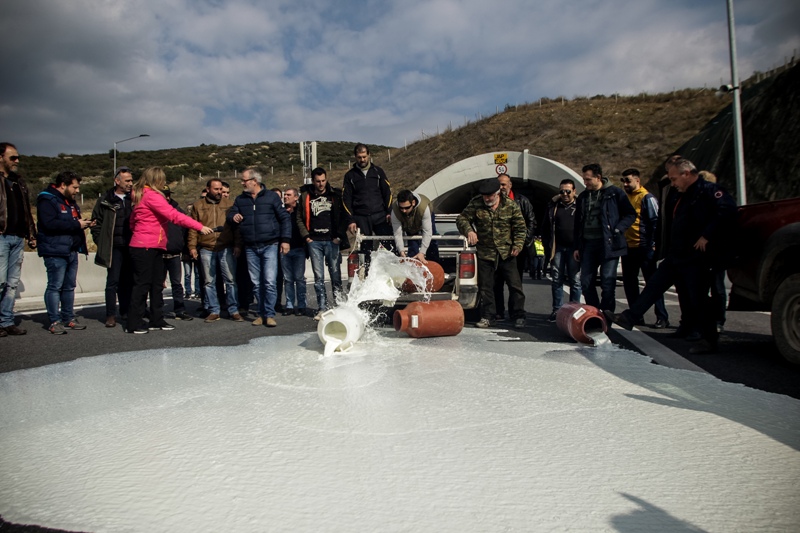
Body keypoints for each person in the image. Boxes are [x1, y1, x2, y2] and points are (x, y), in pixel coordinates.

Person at [605, 158, 737, 354]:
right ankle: (629, 318)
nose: (672, 183)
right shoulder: (681, 194)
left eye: (675, 178)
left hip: (696, 256)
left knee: (698, 298)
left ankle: (708, 339)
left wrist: (706, 236)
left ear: (687, 174)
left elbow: (728, 211)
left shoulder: (709, 191)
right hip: (677, 253)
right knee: (654, 285)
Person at [127, 167, 212, 334]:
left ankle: (156, 319)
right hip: (145, 246)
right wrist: (199, 226)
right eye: (163, 179)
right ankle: (134, 322)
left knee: (156, 284)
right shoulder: (151, 195)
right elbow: (173, 215)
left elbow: (133, 221)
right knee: (142, 285)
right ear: (157, 180)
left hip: (153, 245)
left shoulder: (140, 196)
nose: (164, 182)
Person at [457, 178, 527, 328]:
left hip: (506, 252)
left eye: (490, 196)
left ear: (497, 193)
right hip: (485, 252)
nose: (487, 199)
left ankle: (518, 314)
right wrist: (469, 230)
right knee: (486, 287)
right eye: (484, 196)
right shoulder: (476, 203)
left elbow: (521, 227)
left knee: (515, 285)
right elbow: (462, 218)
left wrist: (518, 244)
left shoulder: (510, 205)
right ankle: (488, 316)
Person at [228, 167, 291, 327]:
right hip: (250, 246)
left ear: (254, 181)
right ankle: (261, 313)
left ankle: (269, 314)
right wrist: (233, 216)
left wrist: (285, 240)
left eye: (244, 180)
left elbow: (284, 218)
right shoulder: (241, 199)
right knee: (256, 282)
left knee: (269, 281)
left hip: (270, 244)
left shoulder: (271, 197)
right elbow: (230, 213)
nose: (242, 183)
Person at [573, 164, 636, 312]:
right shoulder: (582, 197)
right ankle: (594, 311)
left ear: (598, 178)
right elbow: (577, 223)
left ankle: (607, 312)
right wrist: (577, 246)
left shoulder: (615, 193)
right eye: (584, 179)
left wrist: (619, 229)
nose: (585, 182)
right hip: (588, 244)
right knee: (586, 281)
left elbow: (630, 214)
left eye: (588, 179)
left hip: (609, 243)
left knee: (608, 281)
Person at [36, 171, 94, 334]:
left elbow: (72, 222)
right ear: (63, 185)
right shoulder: (47, 199)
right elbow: (49, 223)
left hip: (71, 249)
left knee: (69, 286)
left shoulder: (70, 202)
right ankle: (55, 320)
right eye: (74, 187)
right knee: (55, 286)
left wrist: (85, 224)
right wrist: (76, 225)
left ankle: (68, 318)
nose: (77, 191)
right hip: (55, 250)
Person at [619, 168, 669, 328]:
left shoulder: (646, 197)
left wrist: (654, 243)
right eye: (624, 181)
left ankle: (662, 316)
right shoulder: (625, 198)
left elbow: (656, 221)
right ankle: (636, 316)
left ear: (637, 180)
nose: (625, 184)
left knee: (653, 283)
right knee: (630, 283)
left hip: (645, 247)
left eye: (628, 180)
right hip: (628, 247)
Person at [188, 178, 242, 323]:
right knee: (208, 281)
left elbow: (236, 228)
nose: (219, 192)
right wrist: (192, 247)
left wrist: (238, 245)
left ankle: (233, 310)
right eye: (216, 189)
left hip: (226, 246)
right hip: (206, 247)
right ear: (208, 189)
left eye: (220, 189)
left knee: (230, 280)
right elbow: (193, 227)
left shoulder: (230, 204)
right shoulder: (198, 206)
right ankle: (213, 310)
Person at [297, 167, 348, 318]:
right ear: (313, 181)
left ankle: (339, 306)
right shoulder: (306, 196)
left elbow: (344, 216)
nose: (321, 184)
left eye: (323, 180)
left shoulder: (335, 195)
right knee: (319, 278)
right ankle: (322, 308)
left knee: (336, 276)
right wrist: (306, 237)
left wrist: (339, 236)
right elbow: (299, 218)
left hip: (332, 240)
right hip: (314, 242)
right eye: (318, 181)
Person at [0, 142, 37, 337]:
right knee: (0, 281)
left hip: (17, 237)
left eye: (17, 157)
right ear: (0, 158)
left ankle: (6, 321)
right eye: (12, 157)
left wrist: (31, 234)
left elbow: (26, 211)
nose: (17, 161)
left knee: (12, 283)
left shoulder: (18, 181)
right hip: (2, 237)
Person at [91, 166, 134, 328]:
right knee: (113, 281)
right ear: (117, 181)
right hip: (114, 247)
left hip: (131, 246)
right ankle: (110, 314)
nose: (130, 183)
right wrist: (101, 241)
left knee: (128, 281)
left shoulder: (134, 199)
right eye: (127, 180)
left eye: (131, 180)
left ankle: (126, 311)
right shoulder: (105, 200)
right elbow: (96, 223)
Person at [494, 174, 536, 320]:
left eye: (504, 184)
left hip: (516, 250)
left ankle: (515, 312)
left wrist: (522, 243)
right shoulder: (493, 201)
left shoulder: (522, 201)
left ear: (510, 185)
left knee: (515, 283)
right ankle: (498, 311)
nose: (501, 188)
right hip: (498, 249)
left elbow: (531, 222)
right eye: (499, 184)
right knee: (496, 282)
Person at [541, 179, 581, 321]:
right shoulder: (553, 206)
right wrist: (547, 245)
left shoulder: (580, 206)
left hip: (574, 248)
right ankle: (557, 310)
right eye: (562, 191)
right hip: (557, 248)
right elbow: (545, 227)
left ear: (574, 191)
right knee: (556, 279)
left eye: (568, 191)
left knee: (575, 280)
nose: (565, 194)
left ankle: (575, 310)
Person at [342, 143, 393, 255]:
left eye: (364, 156)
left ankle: (393, 269)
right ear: (355, 157)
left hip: (380, 215)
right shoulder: (350, 176)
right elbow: (346, 200)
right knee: (365, 249)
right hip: (361, 217)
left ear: (369, 155)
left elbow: (387, 193)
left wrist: (389, 212)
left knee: (389, 246)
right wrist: (351, 220)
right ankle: (366, 271)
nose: (362, 159)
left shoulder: (378, 172)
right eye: (359, 157)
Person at [699, 170, 728, 333]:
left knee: (717, 288)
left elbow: (723, 215)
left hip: (716, 249)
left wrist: (706, 235)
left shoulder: (716, 194)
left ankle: (718, 320)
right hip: (700, 251)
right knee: (702, 288)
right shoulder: (697, 198)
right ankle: (707, 322)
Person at [161, 186, 193, 321]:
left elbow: (185, 231)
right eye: (164, 195)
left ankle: (180, 309)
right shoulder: (154, 210)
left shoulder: (178, 210)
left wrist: (185, 250)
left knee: (177, 284)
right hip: (158, 253)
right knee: (156, 284)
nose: (167, 197)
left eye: (168, 195)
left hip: (174, 254)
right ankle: (156, 310)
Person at [391, 189, 439, 263]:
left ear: (413, 202)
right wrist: (401, 252)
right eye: (401, 208)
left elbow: (427, 232)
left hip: (424, 215)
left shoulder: (423, 208)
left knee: (432, 241)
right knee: (412, 242)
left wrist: (422, 252)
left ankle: (433, 263)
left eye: (406, 208)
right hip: (407, 222)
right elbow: (397, 234)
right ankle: (412, 264)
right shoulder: (395, 211)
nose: (404, 210)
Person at [280, 188, 307, 316]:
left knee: (299, 278)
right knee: (288, 279)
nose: (285, 197)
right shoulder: (281, 212)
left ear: (296, 197)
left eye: (288, 195)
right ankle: (289, 305)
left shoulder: (300, 212)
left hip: (299, 249)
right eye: (285, 195)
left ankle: (301, 305)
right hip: (284, 250)